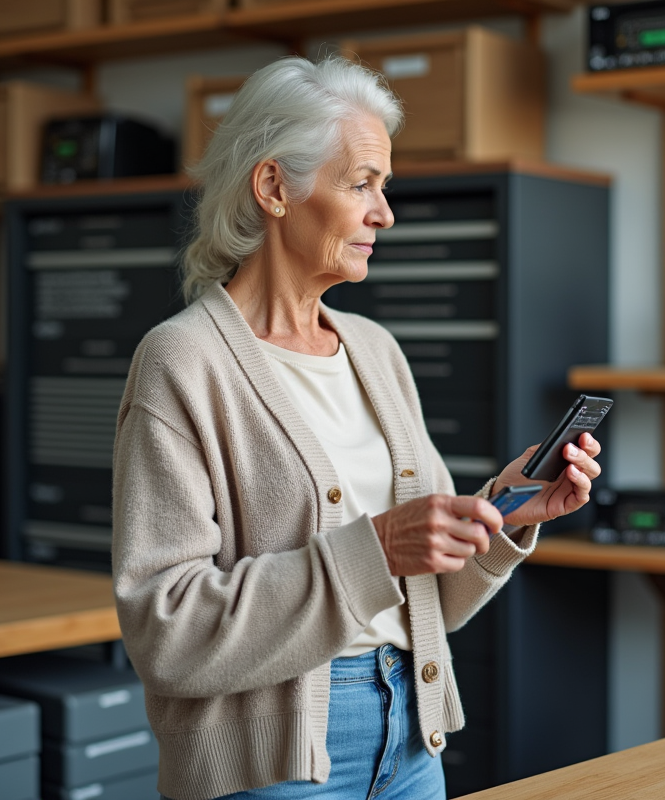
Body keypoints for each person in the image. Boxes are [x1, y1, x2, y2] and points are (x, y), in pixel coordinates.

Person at [111, 55, 602, 800]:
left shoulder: (375, 350)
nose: (385, 213)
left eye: (385, 186)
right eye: (361, 183)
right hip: (270, 760)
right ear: (274, 188)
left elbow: (433, 599)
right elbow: (165, 632)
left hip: (410, 735)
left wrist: (502, 515)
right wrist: (373, 550)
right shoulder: (181, 361)